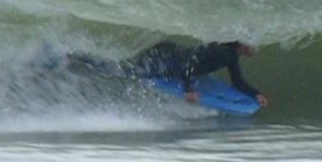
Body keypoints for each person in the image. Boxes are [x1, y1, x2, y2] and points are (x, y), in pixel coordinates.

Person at [68, 41, 269, 108]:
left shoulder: (231, 55)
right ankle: (75, 58)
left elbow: (238, 82)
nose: (256, 47)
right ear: (242, 44)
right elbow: (190, 62)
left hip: (170, 53)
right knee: (125, 70)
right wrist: (189, 90)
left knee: (124, 66)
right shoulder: (222, 51)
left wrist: (256, 94)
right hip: (165, 58)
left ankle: (78, 57)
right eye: (253, 44)